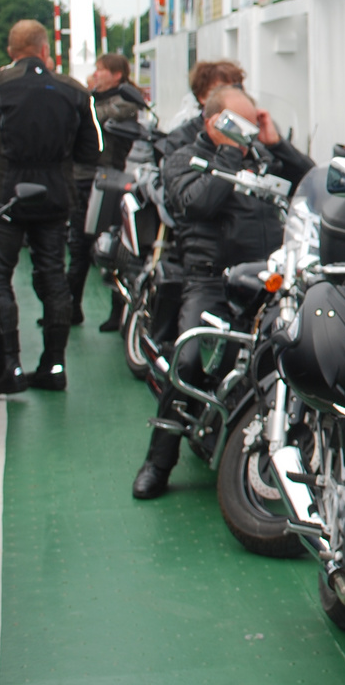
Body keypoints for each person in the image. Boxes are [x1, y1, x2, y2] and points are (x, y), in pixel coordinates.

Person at [133, 85, 312, 498]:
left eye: (253, 123)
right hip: (210, 281)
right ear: (214, 123)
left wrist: (277, 143)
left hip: (265, 284)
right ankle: (158, 461)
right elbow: (197, 205)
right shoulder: (184, 159)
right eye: (241, 124)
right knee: (190, 358)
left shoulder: (264, 157)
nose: (249, 132)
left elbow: (309, 182)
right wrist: (230, 151)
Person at [0, 20, 102, 396]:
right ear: (45, 50)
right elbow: (90, 151)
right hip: (55, 196)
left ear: (10, 50)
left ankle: (9, 368)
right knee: (53, 276)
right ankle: (54, 365)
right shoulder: (75, 91)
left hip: (5, 196)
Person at [67, 53, 141, 330]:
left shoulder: (124, 103)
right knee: (78, 245)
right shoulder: (90, 99)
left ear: (117, 74)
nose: (96, 74)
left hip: (109, 180)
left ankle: (117, 313)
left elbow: (97, 119)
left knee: (113, 248)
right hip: (82, 178)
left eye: (101, 69)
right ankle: (71, 306)